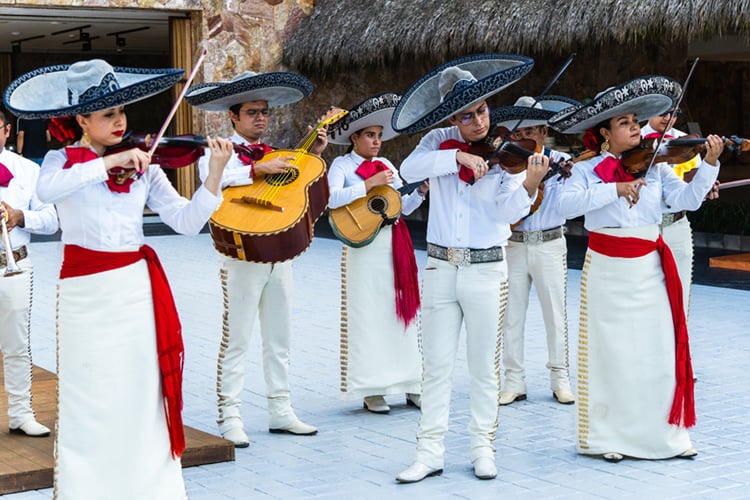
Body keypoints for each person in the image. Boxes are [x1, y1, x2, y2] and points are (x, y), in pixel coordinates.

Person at [4, 59, 231, 499]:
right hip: (84, 294)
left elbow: (185, 222)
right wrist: (108, 165)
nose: (119, 121)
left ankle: (147, 486)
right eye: (107, 113)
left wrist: (215, 175)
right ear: (83, 120)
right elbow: (49, 192)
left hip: (134, 290)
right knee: (88, 393)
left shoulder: (144, 164)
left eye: (122, 111)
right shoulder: (60, 162)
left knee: (140, 392)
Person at [549, 75, 723, 462]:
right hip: (608, 270)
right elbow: (564, 207)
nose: (635, 128)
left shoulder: (656, 166)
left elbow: (687, 201)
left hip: (650, 268)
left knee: (658, 352)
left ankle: (667, 437)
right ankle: (606, 437)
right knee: (611, 355)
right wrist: (614, 189)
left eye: (634, 121)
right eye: (626, 123)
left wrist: (709, 164)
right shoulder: (586, 170)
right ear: (605, 134)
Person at [391, 53, 547, 483]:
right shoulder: (436, 142)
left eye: (481, 111)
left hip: (486, 269)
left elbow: (507, 213)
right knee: (436, 366)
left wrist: (530, 183)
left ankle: (482, 448)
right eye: (467, 115)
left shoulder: (506, 150)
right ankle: (429, 452)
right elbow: (408, 168)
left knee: (483, 367)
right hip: (441, 267)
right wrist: (456, 159)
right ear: (452, 118)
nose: (478, 122)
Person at [185, 70, 325, 448]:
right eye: (252, 113)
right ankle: (229, 414)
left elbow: (293, 191)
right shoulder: (216, 152)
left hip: (278, 251)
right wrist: (253, 169)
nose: (260, 118)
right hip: (240, 253)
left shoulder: (276, 153)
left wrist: (310, 157)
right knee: (237, 337)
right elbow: (208, 181)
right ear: (233, 116)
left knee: (280, 336)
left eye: (264, 112)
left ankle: (281, 410)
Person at [327, 93, 427, 414]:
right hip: (362, 245)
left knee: (402, 312)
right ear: (354, 137)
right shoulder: (342, 165)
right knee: (368, 314)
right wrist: (367, 186)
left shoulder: (387, 166)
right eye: (370, 135)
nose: (376, 141)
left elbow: (402, 206)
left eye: (379, 136)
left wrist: (421, 192)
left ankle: (411, 382)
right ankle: (372, 388)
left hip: (394, 241)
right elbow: (330, 200)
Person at [490, 96, 579, 407]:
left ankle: (560, 379)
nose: (521, 139)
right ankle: (514, 381)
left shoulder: (562, 161)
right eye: (516, 134)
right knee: (511, 315)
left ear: (543, 131)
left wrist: (556, 173)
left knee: (555, 313)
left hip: (550, 242)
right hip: (514, 244)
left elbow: (567, 205)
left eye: (529, 132)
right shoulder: (508, 162)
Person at [0, 106, 58, 438]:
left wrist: (20, 216)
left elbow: (52, 221)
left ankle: (21, 413)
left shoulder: (28, 171)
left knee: (17, 345)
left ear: (7, 131)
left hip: (15, 265)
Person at [641, 108, 711, 313]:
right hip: (647, 226)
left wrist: (705, 187)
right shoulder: (636, 141)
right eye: (662, 112)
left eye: (674, 114)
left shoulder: (687, 142)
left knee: (680, 294)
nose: (668, 118)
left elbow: (692, 183)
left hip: (678, 224)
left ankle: (679, 343)